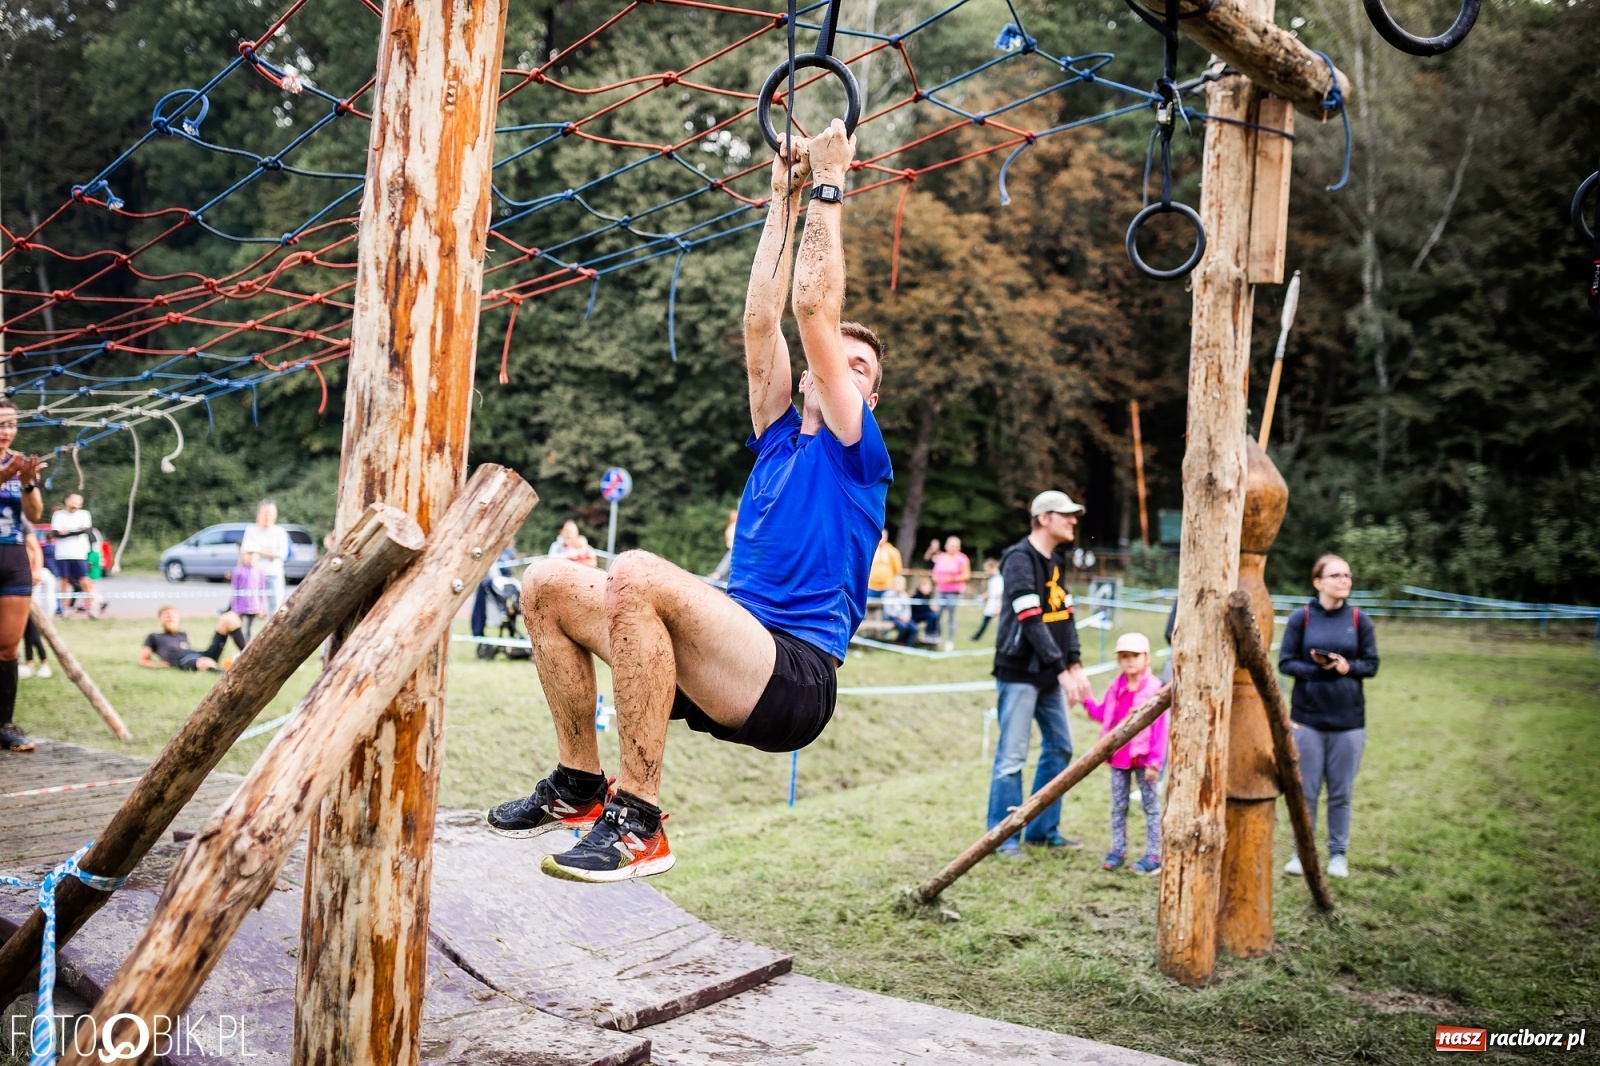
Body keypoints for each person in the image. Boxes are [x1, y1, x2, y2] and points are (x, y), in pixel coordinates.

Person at [486, 121, 891, 883]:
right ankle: (579, 783)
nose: (840, 365)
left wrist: (830, 184)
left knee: (634, 570)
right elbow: (760, 321)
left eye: (859, 365)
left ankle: (638, 822)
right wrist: (782, 195)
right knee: (545, 584)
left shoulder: (856, 451)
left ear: (867, 392)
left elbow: (812, 312)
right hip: (726, 657)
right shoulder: (778, 437)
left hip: (793, 679)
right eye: (840, 361)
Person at [988, 490, 1092, 854]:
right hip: (1019, 671)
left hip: (1049, 671)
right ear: (1043, 518)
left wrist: (1074, 663)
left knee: (1061, 747)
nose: (1073, 520)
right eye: (1065, 514)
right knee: (1011, 758)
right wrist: (1061, 670)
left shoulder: (1057, 561)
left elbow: (1066, 615)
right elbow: (1030, 620)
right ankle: (1003, 839)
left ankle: (1041, 831)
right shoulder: (1018, 559)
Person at [1278, 554, 1379, 880]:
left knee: (1341, 792)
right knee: (1305, 792)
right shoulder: (1302, 618)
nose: (1344, 580)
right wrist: (1318, 669)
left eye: (1347, 575)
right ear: (1318, 582)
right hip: (1306, 720)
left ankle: (1338, 855)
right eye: (1336, 575)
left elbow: (1372, 664)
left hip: (1348, 721)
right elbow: (1285, 663)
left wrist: (1348, 667)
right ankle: (1301, 853)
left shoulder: (1359, 619)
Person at [1078, 632, 1167, 873]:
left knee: (1150, 806)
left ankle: (1154, 854)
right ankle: (1118, 849)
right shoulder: (1116, 687)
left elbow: (1160, 728)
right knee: (1118, 805)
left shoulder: (1155, 689)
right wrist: (1086, 700)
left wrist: (1155, 762)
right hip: (1119, 757)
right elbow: (1103, 714)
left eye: (1135, 655)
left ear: (1146, 658)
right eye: (1124, 656)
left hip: (1144, 759)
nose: (1129, 661)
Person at [0, 400, 47, 750]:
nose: (6, 430)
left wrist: (28, 482)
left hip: (13, 555)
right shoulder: (8, 466)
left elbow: (34, 510)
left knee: (8, 647)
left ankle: (4, 725)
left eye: (11, 423)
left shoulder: (20, 462)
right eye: (1, 424)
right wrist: (6, 475)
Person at [140, 606, 247, 673]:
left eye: (173, 615)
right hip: (183, 661)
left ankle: (248, 653)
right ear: (159, 619)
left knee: (229, 618)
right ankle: (227, 673)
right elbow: (143, 660)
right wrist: (160, 665)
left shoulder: (182, 634)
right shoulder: (154, 636)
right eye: (166, 615)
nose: (170, 617)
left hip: (200, 655)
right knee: (205, 662)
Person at [240, 500, 290, 616]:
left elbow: (282, 554)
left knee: (275, 610)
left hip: (274, 575)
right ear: (259, 513)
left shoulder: (280, 532)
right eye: (265, 513)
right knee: (249, 611)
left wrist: (258, 550)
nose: (267, 516)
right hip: (253, 576)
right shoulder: (251, 530)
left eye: (270, 513)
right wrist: (268, 553)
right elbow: (245, 551)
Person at [51, 492, 96, 617]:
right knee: (63, 580)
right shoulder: (58, 515)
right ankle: (64, 608)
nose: (74, 505)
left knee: (84, 580)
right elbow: (56, 533)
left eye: (77, 503)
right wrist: (75, 531)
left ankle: (90, 607)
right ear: (67, 501)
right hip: (63, 554)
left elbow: (86, 530)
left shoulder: (84, 514)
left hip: (79, 554)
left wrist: (67, 532)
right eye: (72, 502)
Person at [20, 529, 51, 680]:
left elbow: (49, 591)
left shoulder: (39, 573)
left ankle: (45, 663)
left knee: (34, 637)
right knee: (26, 636)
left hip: (34, 608)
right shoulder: (20, 570)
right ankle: (30, 664)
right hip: (21, 608)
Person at [930, 535, 971, 651]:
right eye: (950, 545)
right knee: (937, 615)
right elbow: (935, 572)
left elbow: (966, 575)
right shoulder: (941, 557)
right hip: (940, 590)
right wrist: (936, 578)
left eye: (955, 546)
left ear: (958, 547)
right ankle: (937, 637)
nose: (952, 548)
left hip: (954, 592)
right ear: (946, 546)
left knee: (951, 617)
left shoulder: (962, 559)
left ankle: (949, 640)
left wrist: (952, 579)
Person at [231, 550, 269, 642]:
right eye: (249, 555)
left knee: (249, 630)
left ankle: (247, 649)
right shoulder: (238, 571)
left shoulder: (260, 571)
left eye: (254, 555)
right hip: (241, 608)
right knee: (240, 631)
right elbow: (235, 591)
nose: (251, 558)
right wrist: (235, 609)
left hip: (254, 607)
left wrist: (262, 608)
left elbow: (262, 591)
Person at [880, 574, 918, 645]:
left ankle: (907, 645)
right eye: (898, 583)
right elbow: (888, 611)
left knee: (914, 628)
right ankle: (899, 643)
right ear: (894, 584)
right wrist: (899, 616)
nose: (900, 585)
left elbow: (908, 609)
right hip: (892, 618)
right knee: (903, 627)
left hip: (904, 618)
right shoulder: (888, 595)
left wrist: (906, 616)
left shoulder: (905, 595)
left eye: (902, 584)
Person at [971, 557, 1003, 641]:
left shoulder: (998, 579)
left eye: (986, 569)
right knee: (986, 620)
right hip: (992, 604)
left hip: (996, 604)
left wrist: (999, 606)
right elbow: (991, 592)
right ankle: (977, 636)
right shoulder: (993, 579)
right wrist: (981, 597)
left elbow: (1000, 594)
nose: (986, 571)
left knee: (1001, 623)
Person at [867, 529, 902, 601]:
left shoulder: (893, 551)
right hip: (870, 586)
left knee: (887, 609)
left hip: (887, 586)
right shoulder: (869, 549)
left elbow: (897, 569)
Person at [908, 575, 940, 645]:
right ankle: (928, 635)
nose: (927, 588)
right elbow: (918, 610)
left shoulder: (929, 597)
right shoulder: (916, 597)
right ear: (919, 586)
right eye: (925, 585)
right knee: (932, 615)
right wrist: (930, 607)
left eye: (928, 586)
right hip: (915, 618)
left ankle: (934, 635)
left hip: (925, 618)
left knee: (935, 614)